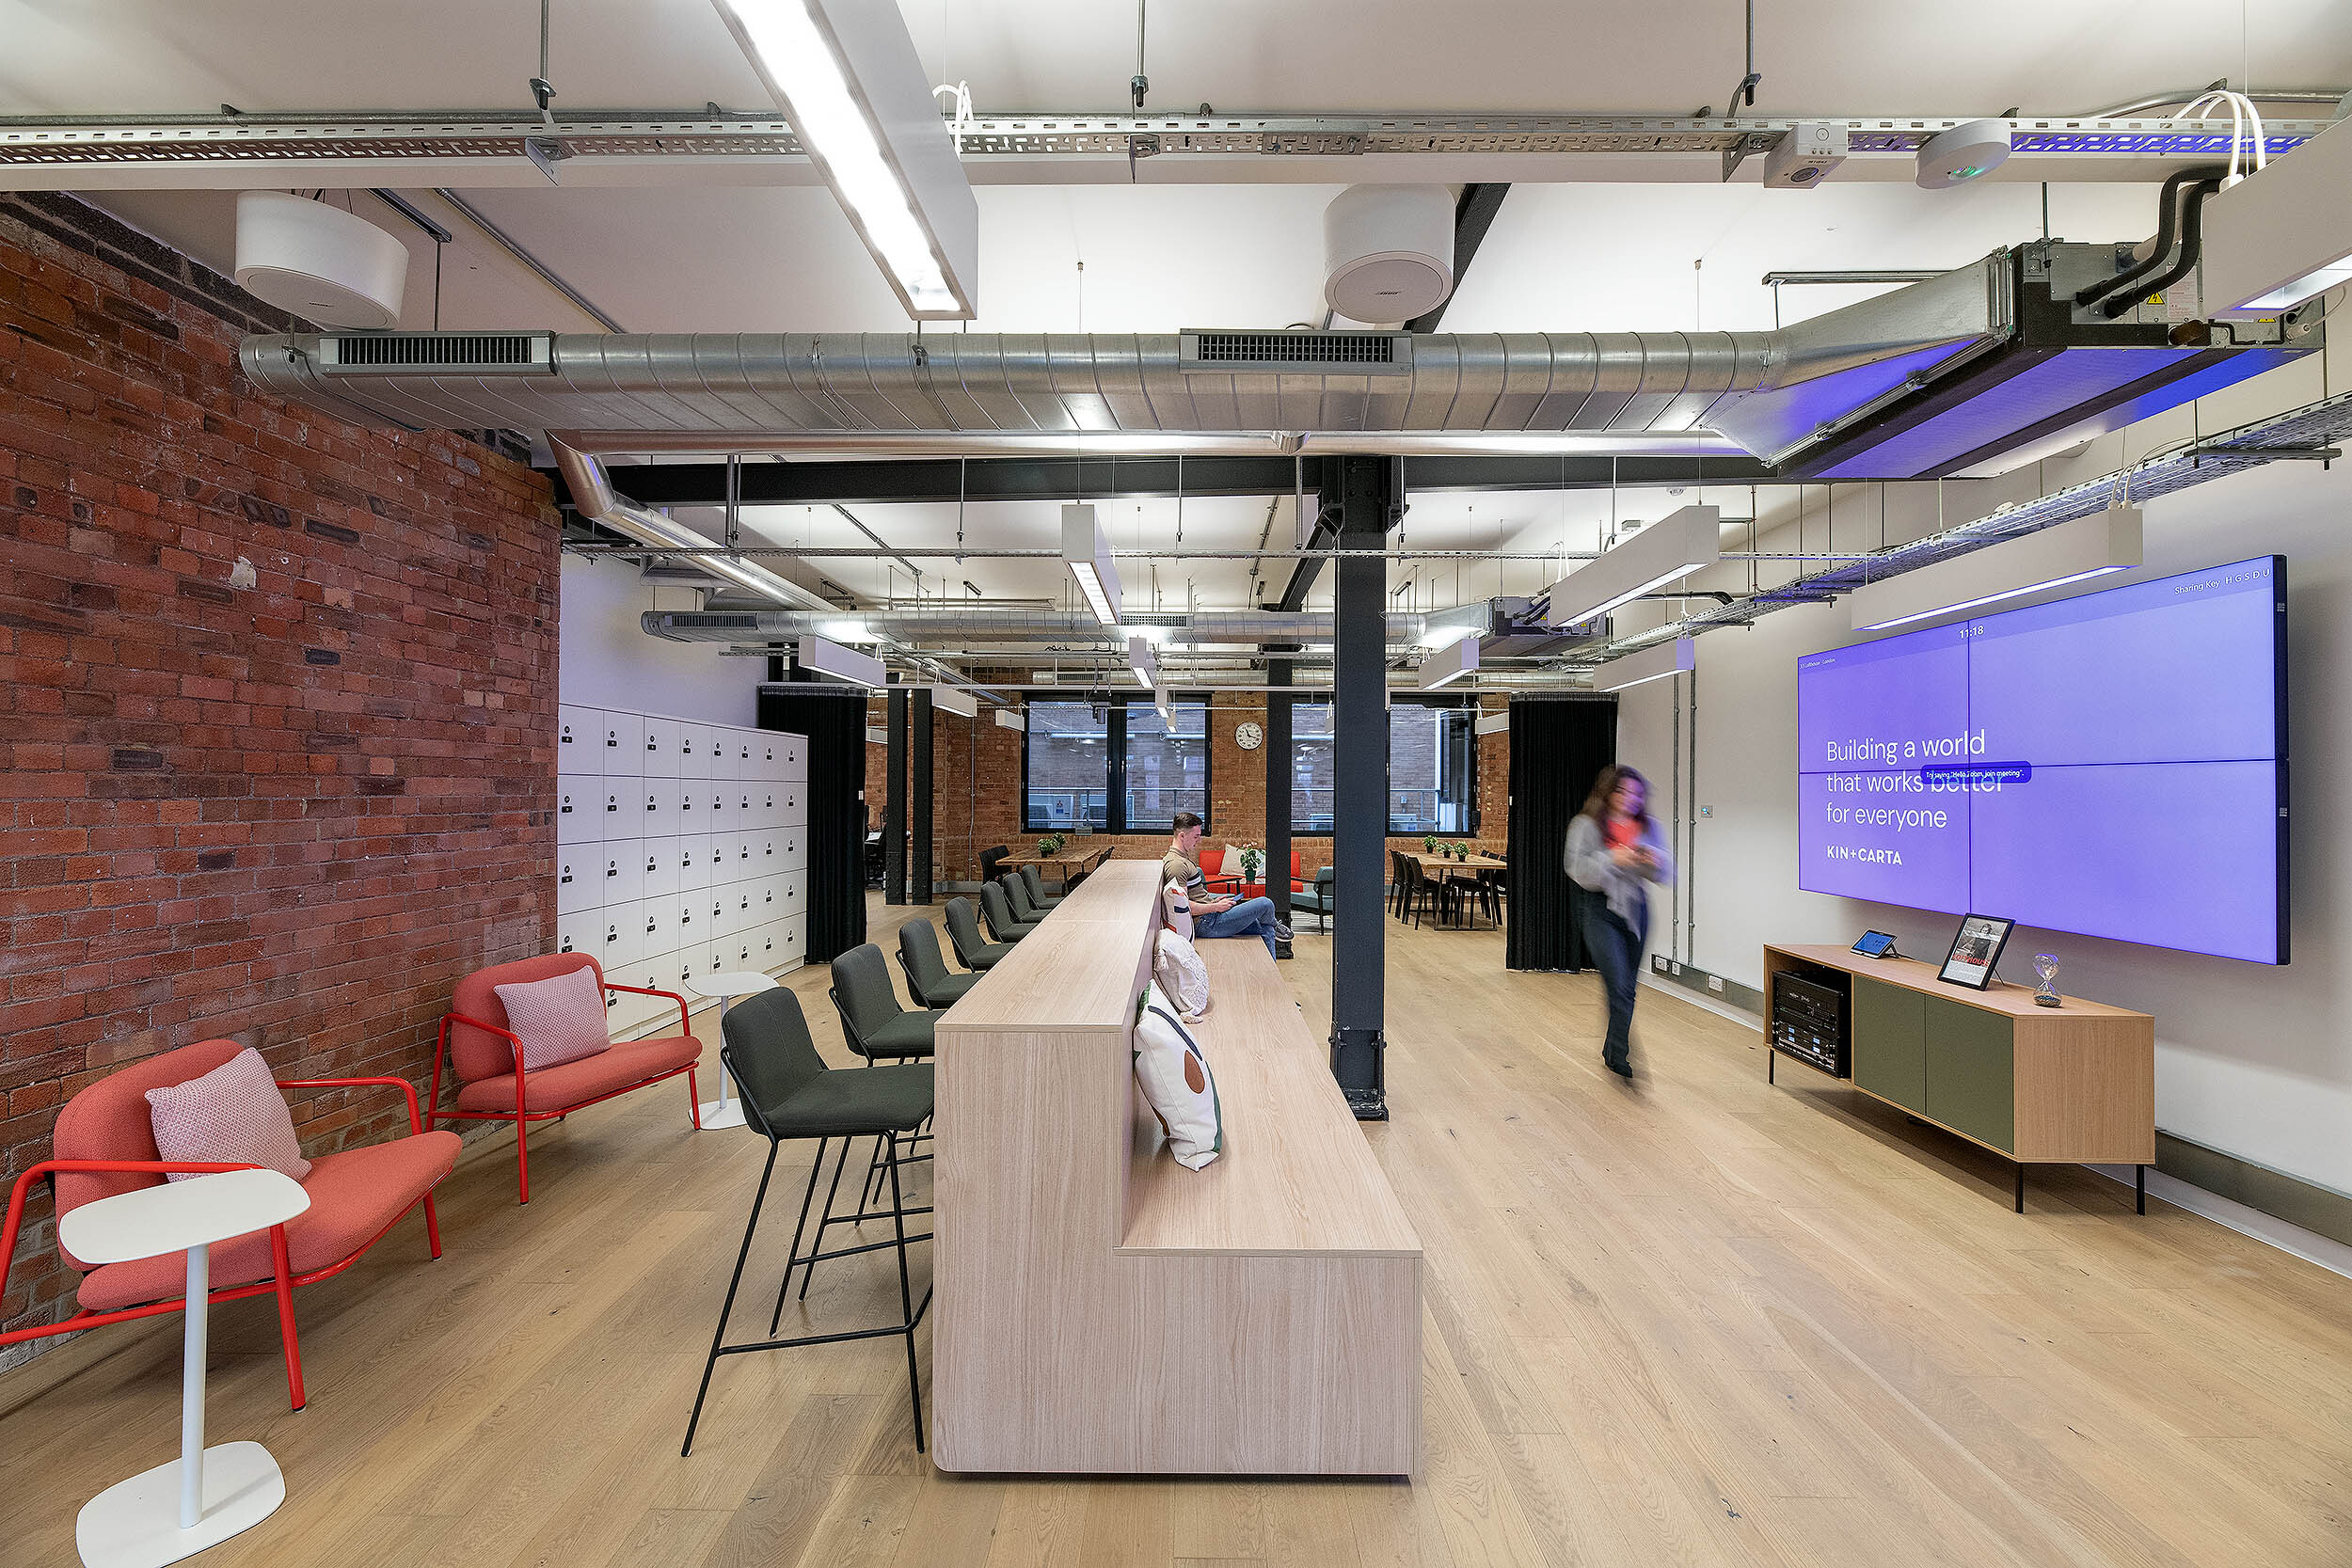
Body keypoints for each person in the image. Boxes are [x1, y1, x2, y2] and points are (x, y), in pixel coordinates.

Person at [1565, 765, 1676, 1080]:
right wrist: (1614, 858)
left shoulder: (1649, 827)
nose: (1630, 799)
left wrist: (1653, 861)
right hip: (1599, 909)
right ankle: (1620, 1054)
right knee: (1618, 983)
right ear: (1609, 793)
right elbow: (1577, 870)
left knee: (1627, 985)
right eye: (1623, 791)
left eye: (1637, 794)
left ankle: (1613, 1049)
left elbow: (1666, 874)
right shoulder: (1586, 826)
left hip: (1636, 909)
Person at [1162, 812, 1289, 958]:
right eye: (1196, 836)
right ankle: (1275, 924)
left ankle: (1270, 974)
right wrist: (1214, 907)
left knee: (1266, 929)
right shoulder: (1176, 865)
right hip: (1206, 923)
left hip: (1210, 915)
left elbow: (1193, 896)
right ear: (1182, 836)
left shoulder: (1182, 858)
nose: (1199, 840)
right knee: (1265, 904)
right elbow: (1181, 907)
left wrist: (1214, 900)